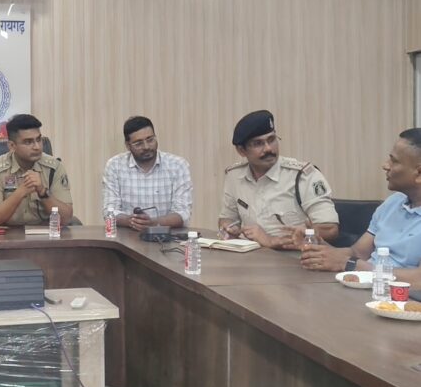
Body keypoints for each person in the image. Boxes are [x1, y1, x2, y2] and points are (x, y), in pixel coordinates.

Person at [298, 129, 421, 285]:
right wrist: (319, 246)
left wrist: (350, 264)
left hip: (399, 296)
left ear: (419, 173)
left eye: (394, 161)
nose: (385, 165)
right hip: (366, 287)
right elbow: (358, 253)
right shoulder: (393, 202)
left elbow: (418, 280)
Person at [218, 110, 339, 248]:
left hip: (296, 257)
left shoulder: (303, 176)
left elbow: (330, 229)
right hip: (252, 257)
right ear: (241, 151)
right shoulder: (234, 176)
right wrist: (228, 228)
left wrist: (271, 240)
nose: (268, 149)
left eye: (271, 140)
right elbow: (227, 218)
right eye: (258, 143)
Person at [0, 114, 73, 227]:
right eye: (28, 142)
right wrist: (21, 192)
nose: (37, 147)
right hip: (8, 234)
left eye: (38, 140)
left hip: (46, 234)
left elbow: (66, 218)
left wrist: (43, 192)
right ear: (12, 146)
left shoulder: (54, 167)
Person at [102, 116, 192, 230]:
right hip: (128, 235)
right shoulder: (115, 166)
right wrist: (131, 221)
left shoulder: (178, 165)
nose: (146, 147)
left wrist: (154, 223)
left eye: (150, 139)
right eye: (138, 143)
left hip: (167, 236)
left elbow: (183, 213)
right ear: (128, 146)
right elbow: (109, 211)